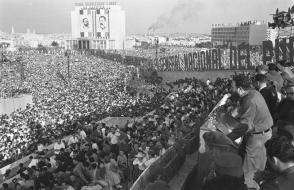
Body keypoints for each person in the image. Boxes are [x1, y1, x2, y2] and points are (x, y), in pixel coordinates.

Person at [217, 75, 273, 190]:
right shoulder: (252, 93)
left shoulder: (250, 100)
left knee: (249, 174)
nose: (231, 89)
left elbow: (244, 127)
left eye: (232, 87)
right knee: (241, 158)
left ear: (240, 89)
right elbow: (241, 112)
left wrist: (226, 138)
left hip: (258, 139)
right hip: (256, 134)